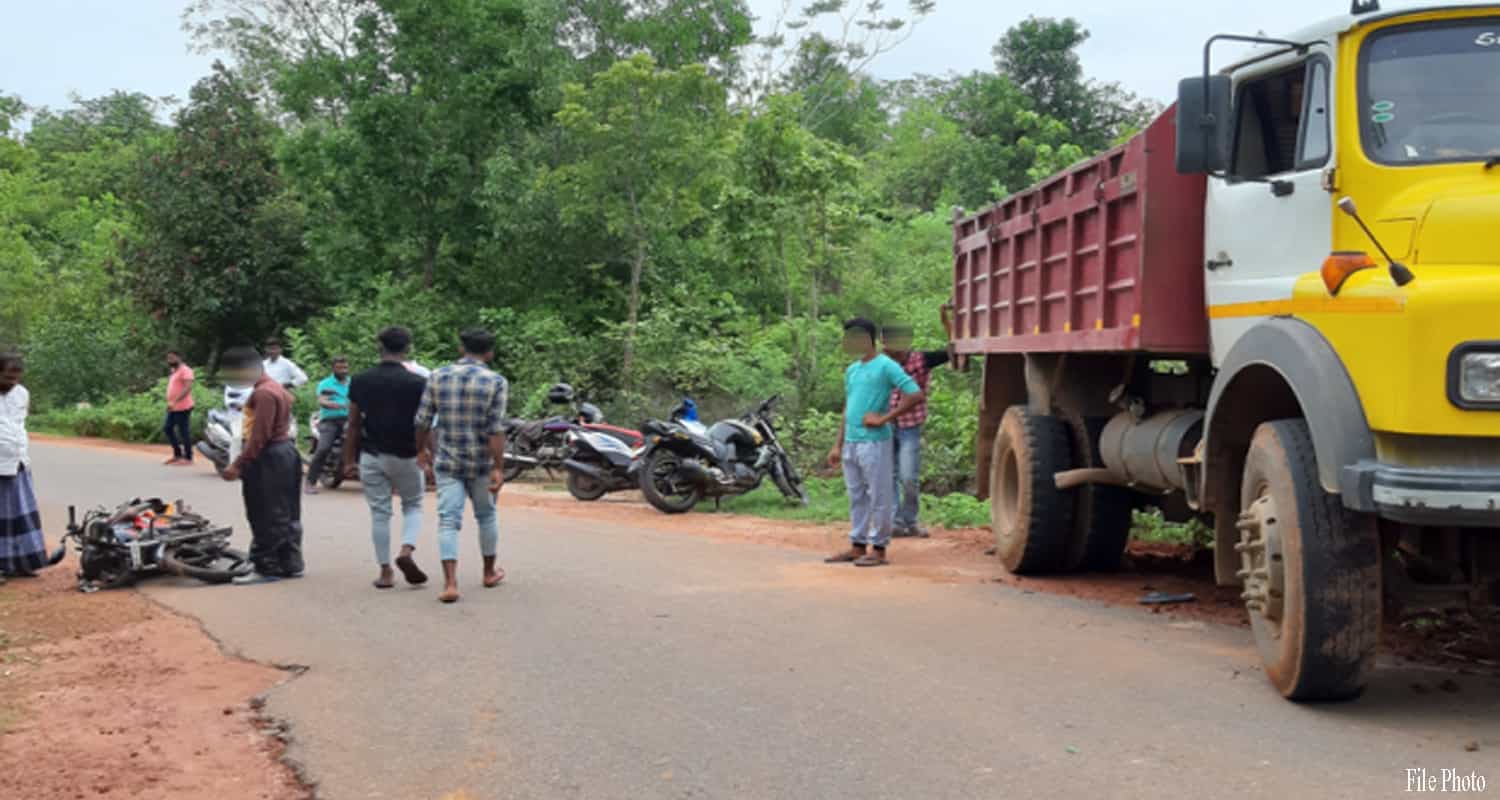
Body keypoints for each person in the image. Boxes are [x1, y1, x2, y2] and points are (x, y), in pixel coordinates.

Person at [415, 328, 508, 604]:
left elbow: (422, 420)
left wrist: (420, 450)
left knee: (448, 520)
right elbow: (496, 428)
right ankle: (489, 572)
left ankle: (451, 583)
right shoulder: (496, 381)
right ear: (489, 352)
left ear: (461, 349)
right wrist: (498, 466)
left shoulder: (437, 376)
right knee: (487, 516)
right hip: (481, 461)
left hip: (448, 460)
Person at [824, 319, 923, 568]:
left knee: (880, 495)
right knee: (856, 495)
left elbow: (915, 394)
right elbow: (848, 407)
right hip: (851, 442)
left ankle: (879, 549)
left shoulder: (886, 366)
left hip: (875, 442)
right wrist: (837, 444)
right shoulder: (852, 370)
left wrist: (884, 418)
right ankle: (857, 545)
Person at [343, 327, 430, 590]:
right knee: (413, 505)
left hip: (372, 454)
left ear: (379, 346)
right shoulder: (418, 383)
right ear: (407, 349)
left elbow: (354, 424)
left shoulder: (360, 380)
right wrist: (425, 452)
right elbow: (423, 424)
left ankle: (385, 571)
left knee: (380, 513)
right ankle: (406, 550)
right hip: (407, 454)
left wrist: (349, 460)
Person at [218, 346, 304, 584]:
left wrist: (238, 464)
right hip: (285, 453)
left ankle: (266, 567)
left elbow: (260, 435)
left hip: (269, 456)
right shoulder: (276, 389)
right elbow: (290, 400)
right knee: (286, 510)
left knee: (264, 512)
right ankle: (290, 562)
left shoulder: (264, 394)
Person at [880, 320, 953, 538]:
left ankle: (909, 520)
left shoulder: (920, 359)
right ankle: (895, 522)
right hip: (886, 425)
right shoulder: (881, 363)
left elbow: (952, 351)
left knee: (908, 476)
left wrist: (945, 322)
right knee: (889, 474)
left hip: (910, 425)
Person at [0, 352, 46, 583]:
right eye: (7, 378)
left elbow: (19, 425)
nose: (12, 383)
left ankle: (21, 562)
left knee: (19, 515)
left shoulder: (22, 394)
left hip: (18, 461)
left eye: (16, 378)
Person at [305, 356, 351, 494]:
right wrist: (335, 405)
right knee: (323, 449)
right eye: (340, 367)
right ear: (333, 368)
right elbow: (322, 400)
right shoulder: (326, 384)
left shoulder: (352, 383)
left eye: (345, 367)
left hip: (351, 420)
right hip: (331, 420)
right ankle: (310, 482)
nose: (344, 370)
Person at [163, 350, 196, 466]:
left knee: (183, 432)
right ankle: (177, 454)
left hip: (183, 406)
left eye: (172, 358)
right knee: (167, 428)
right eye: (168, 358)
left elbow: (188, 388)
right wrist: (170, 402)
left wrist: (175, 401)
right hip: (173, 406)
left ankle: (188, 457)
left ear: (179, 357)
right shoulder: (174, 371)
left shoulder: (186, 370)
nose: (170, 361)